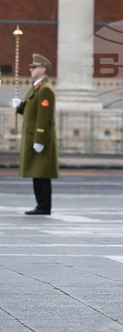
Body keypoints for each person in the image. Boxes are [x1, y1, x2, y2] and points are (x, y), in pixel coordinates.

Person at [12, 54, 58, 215]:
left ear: (43, 69)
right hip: (33, 135)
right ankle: (41, 205)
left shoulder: (45, 89)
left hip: (40, 137)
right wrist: (20, 107)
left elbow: (44, 117)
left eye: (34, 67)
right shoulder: (37, 87)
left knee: (41, 172)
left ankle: (44, 206)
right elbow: (31, 111)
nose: (30, 69)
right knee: (37, 172)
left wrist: (40, 139)